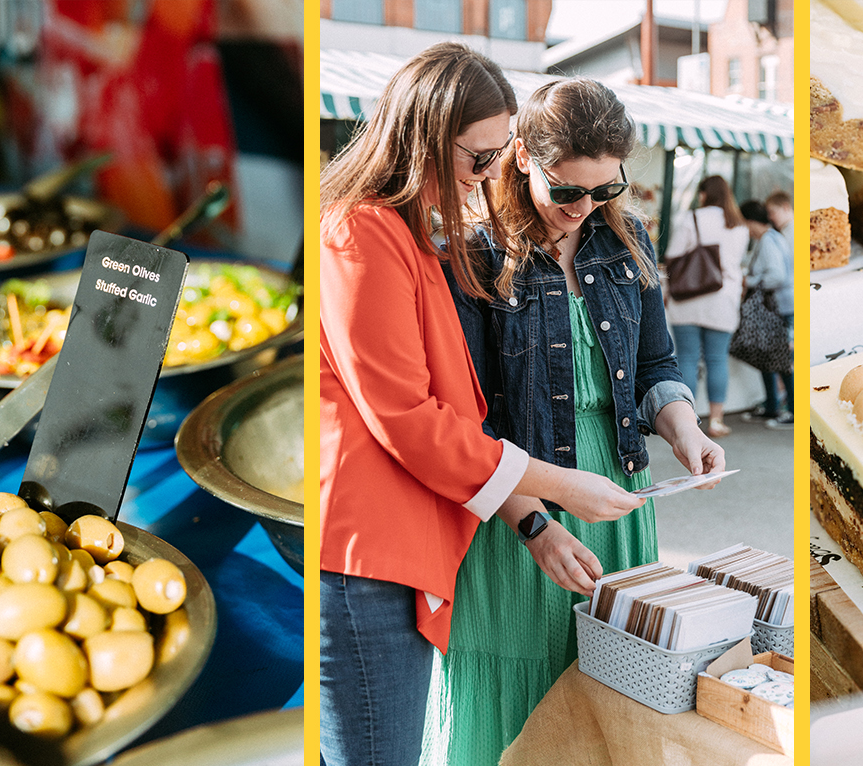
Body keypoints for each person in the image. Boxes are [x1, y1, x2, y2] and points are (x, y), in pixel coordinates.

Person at [319, 44, 643, 766]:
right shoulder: (360, 232)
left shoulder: (414, 237)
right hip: (368, 552)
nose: (491, 176)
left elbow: (456, 419)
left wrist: (535, 519)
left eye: (498, 156)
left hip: (401, 547)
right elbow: (407, 417)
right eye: (479, 158)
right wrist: (557, 489)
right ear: (423, 138)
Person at [428, 77, 726, 766]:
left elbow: (657, 365)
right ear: (523, 156)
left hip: (621, 499)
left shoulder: (628, 240)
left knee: (609, 693)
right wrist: (534, 523)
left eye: (605, 190)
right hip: (515, 509)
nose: (584, 208)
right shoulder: (471, 253)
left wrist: (687, 431)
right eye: (568, 192)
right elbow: (461, 420)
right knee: (517, 693)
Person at [664, 175, 750, 437]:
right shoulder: (740, 226)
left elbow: (673, 255)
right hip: (723, 300)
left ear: (704, 194)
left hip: (689, 299)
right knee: (716, 360)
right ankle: (716, 420)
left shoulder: (693, 218)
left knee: (686, 359)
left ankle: (687, 422)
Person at [737, 200, 795, 427]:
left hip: (777, 307)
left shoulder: (768, 241)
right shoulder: (773, 238)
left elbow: (776, 275)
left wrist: (749, 281)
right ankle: (773, 406)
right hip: (779, 307)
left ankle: (790, 410)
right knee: (769, 358)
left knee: (780, 360)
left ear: (750, 222)